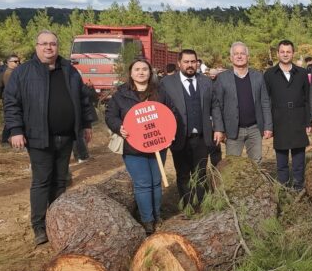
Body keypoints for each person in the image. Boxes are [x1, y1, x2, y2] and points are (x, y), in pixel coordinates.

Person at [3, 30, 97, 245]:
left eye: (52, 44)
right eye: (44, 44)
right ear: (36, 46)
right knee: (42, 181)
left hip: (65, 136)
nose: (48, 48)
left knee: (60, 180)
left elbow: (83, 100)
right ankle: (39, 226)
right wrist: (15, 130)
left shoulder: (70, 71)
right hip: (37, 136)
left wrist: (86, 124)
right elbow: (11, 103)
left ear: (57, 46)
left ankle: (57, 221)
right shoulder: (23, 73)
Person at [105, 58, 168, 235]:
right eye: (137, 69)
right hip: (133, 148)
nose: (141, 72)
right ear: (131, 74)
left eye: (145, 69)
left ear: (150, 73)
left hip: (157, 145)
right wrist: (119, 127)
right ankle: (147, 220)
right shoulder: (120, 95)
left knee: (156, 183)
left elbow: (171, 114)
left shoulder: (160, 93)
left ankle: (157, 215)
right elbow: (110, 116)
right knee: (142, 184)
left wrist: (168, 132)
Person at [159, 49, 219, 209]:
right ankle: (187, 206)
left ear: (197, 63)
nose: (190, 65)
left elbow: (215, 106)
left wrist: (218, 128)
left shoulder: (206, 82)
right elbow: (161, 109)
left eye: (193, 61)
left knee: (200, 173)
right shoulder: (166, 83)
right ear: (179, 63)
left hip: (201, 136)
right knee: (183, 174)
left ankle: (200, 205)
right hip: (179, 137)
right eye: (186, 62)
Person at [213, 42, 272, 162]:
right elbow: (217, 105)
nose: (239, 56)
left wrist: (268, 126)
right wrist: (219, 128)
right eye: (236, 54)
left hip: (254, 129)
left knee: (256, 165)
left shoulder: (258, 76)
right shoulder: (222, 78)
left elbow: (265, 102)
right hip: (233, 130)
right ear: (231, 58)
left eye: (242, 53)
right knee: (232, 166)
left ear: (248, 57)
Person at [264, 40, 310, 189]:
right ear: (278, 53)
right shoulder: (270, 74)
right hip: (279, 119)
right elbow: (266, 101)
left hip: (298, 118)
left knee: (298, 158)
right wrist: (268, 124)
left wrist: (308, 121)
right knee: (282, 159)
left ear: (293, 53)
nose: (285, 54)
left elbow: (307, 98)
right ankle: (283, 187)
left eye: (288, 51)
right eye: (282, 51)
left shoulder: (302, 73)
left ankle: (298, 186)